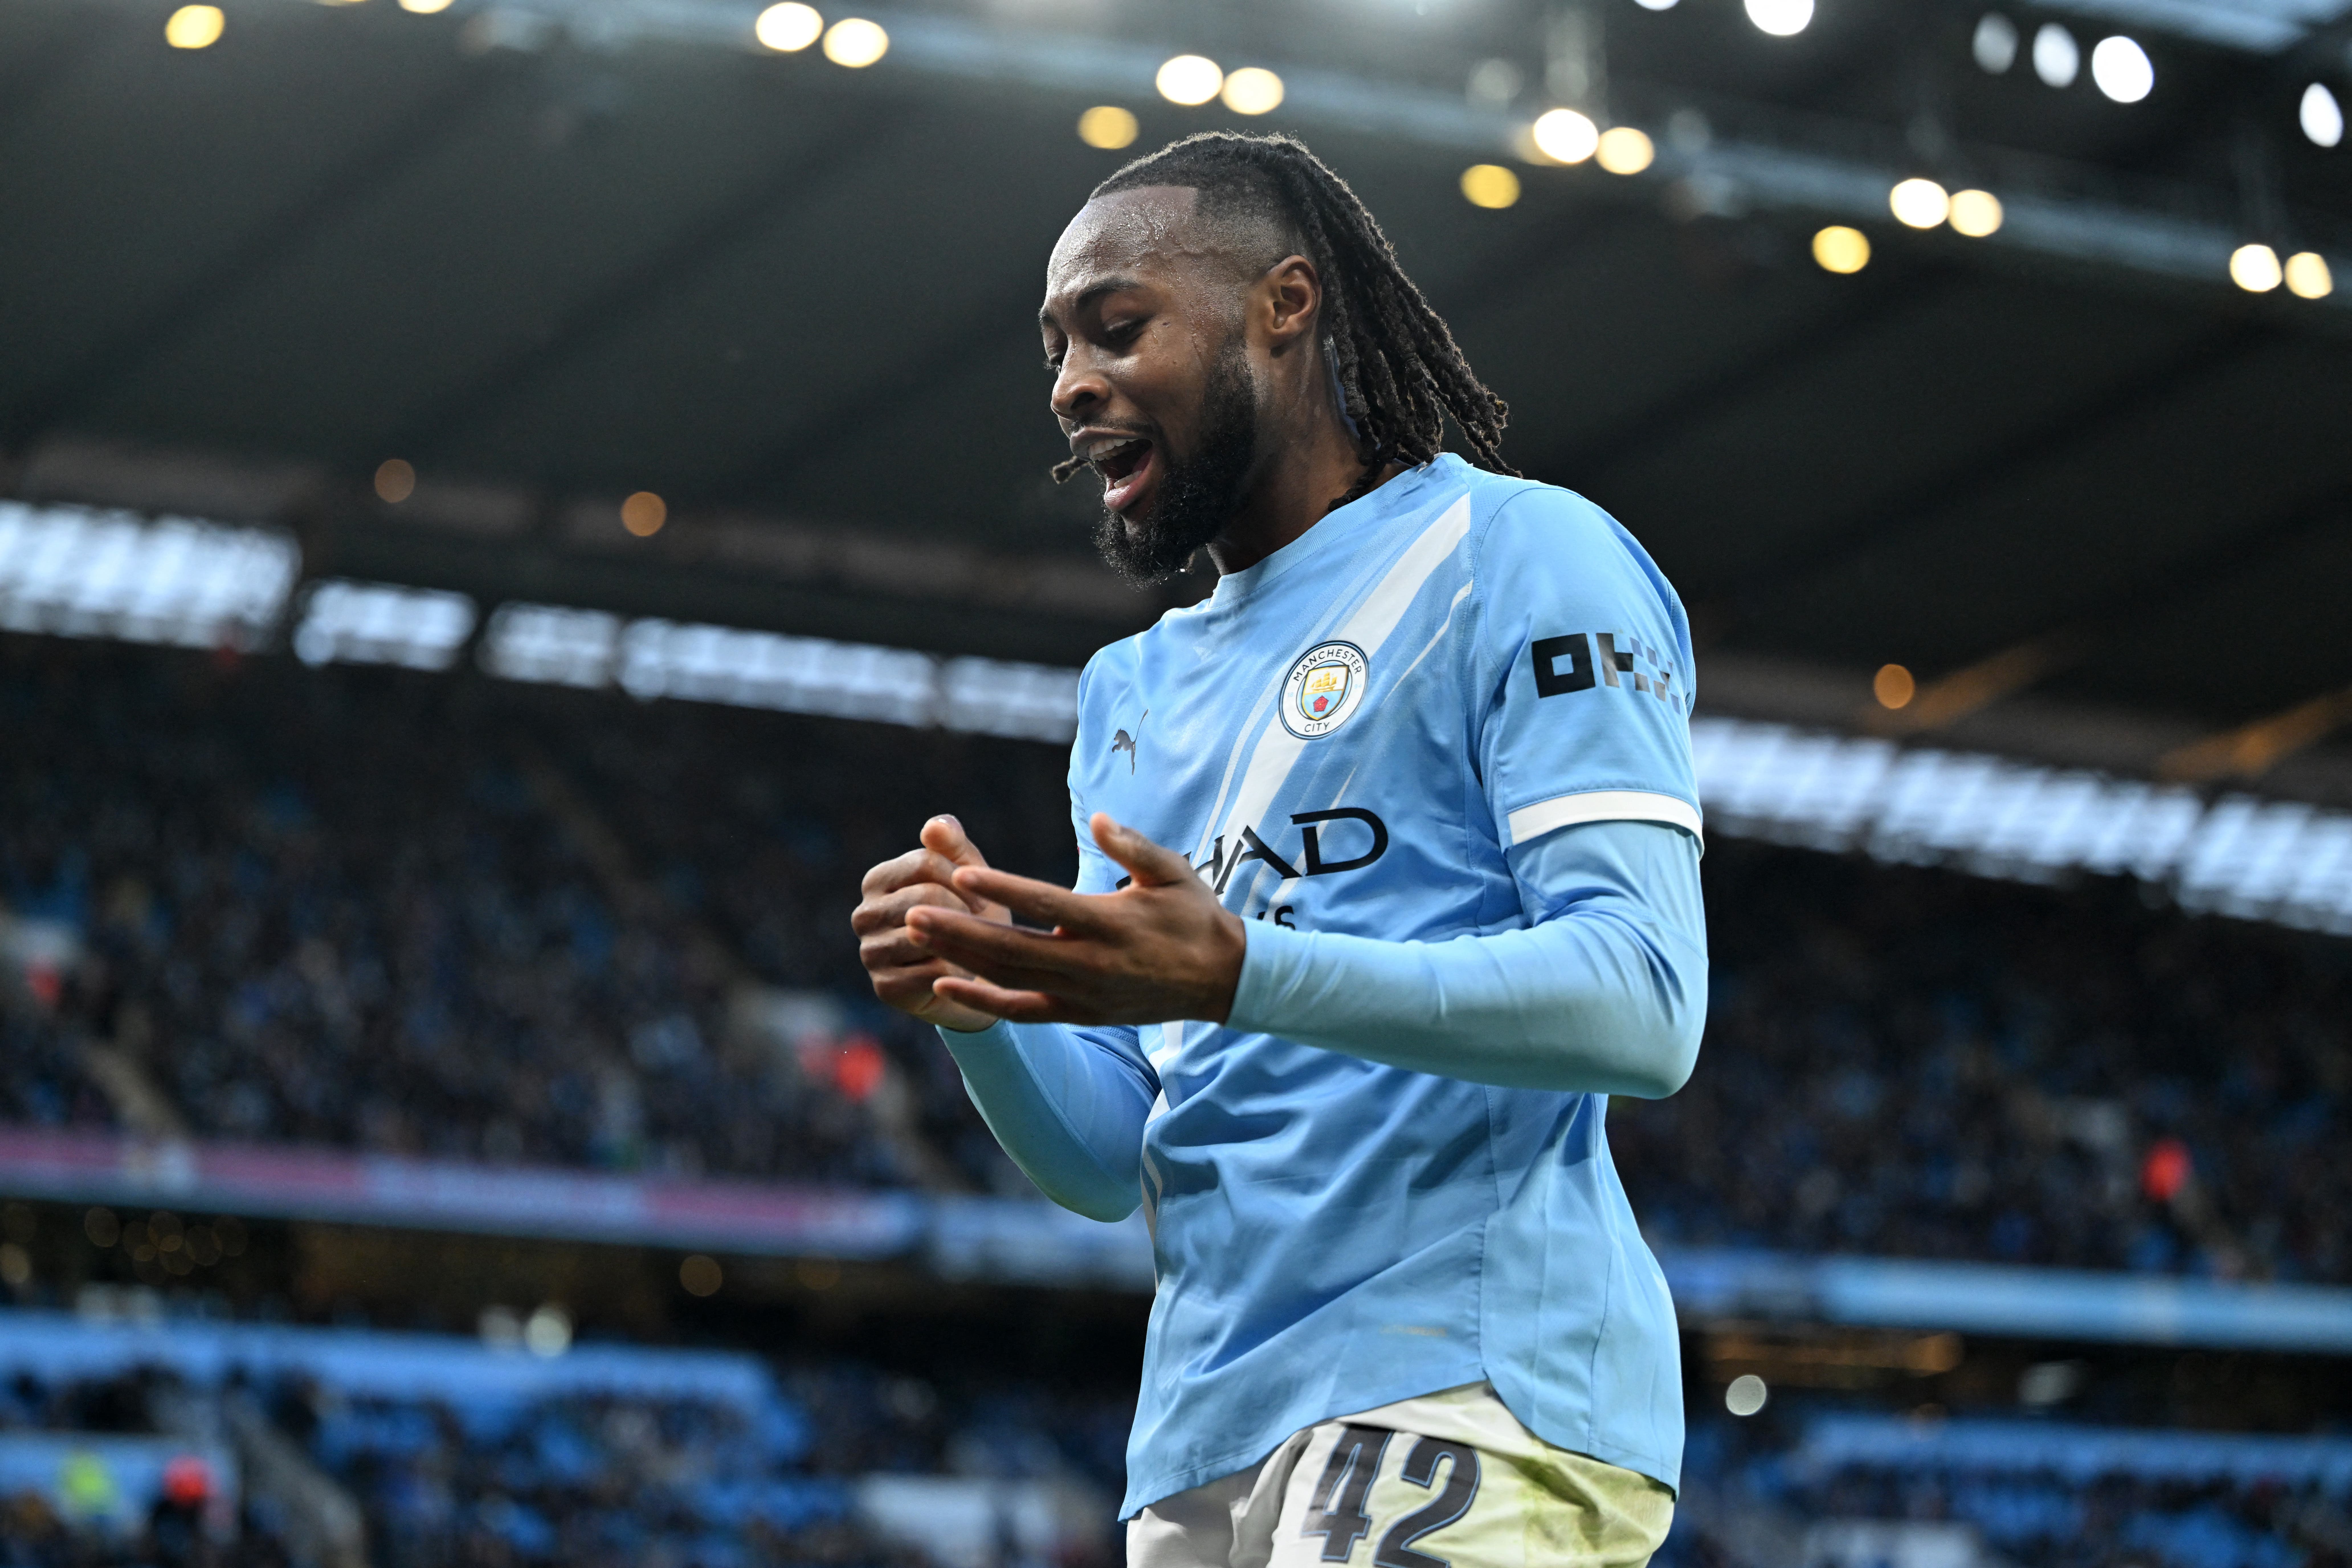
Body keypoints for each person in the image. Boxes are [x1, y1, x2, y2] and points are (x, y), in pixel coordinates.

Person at [852, 132, 1706, 1567]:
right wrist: (976, 1005)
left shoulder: (1521, 555)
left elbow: (1642, 997)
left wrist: (1242, 965)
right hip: (1199, 1436)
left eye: (1118, 326)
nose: (1070, 384)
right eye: (1057, 348)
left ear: (1285, 304)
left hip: (1464, 1381)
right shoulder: (1128, 692)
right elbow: (1112, 1142)